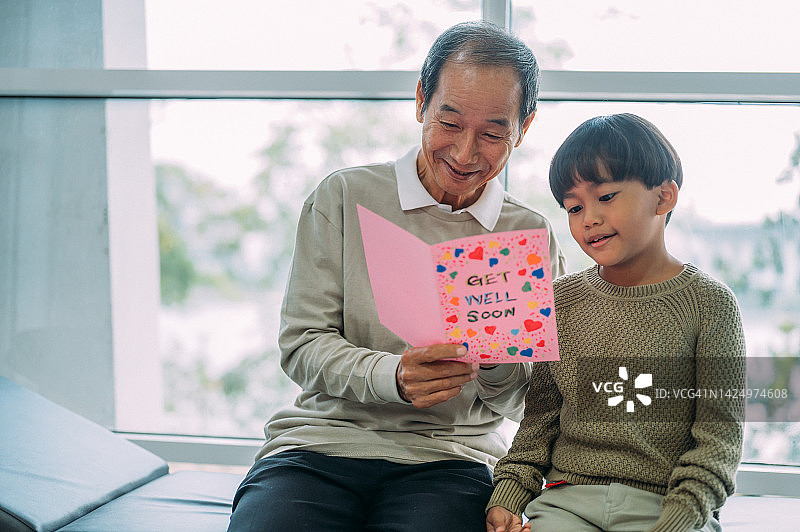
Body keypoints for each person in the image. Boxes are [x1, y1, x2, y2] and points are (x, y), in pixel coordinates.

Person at [227, 21, 567, 532]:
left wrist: (497, 363)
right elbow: (302, 346)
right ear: (420, 103)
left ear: (524, 127)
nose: (465, 153)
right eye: (449, 123)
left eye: (494, 133)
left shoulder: (527, 234)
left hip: (454, 457)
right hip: (321, 443)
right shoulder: (343, 197)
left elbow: (530, 398)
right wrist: (393, 377)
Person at [486, 113, 746, 532]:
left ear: (664, 197)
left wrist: (680, 519)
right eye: (574, 207)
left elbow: (718, 440)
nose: (588, 218)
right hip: (565, 500)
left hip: (664, 507)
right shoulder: (559, 301)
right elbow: (538, 422)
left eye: (606, 197)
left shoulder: (711, 305)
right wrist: (508, 496)